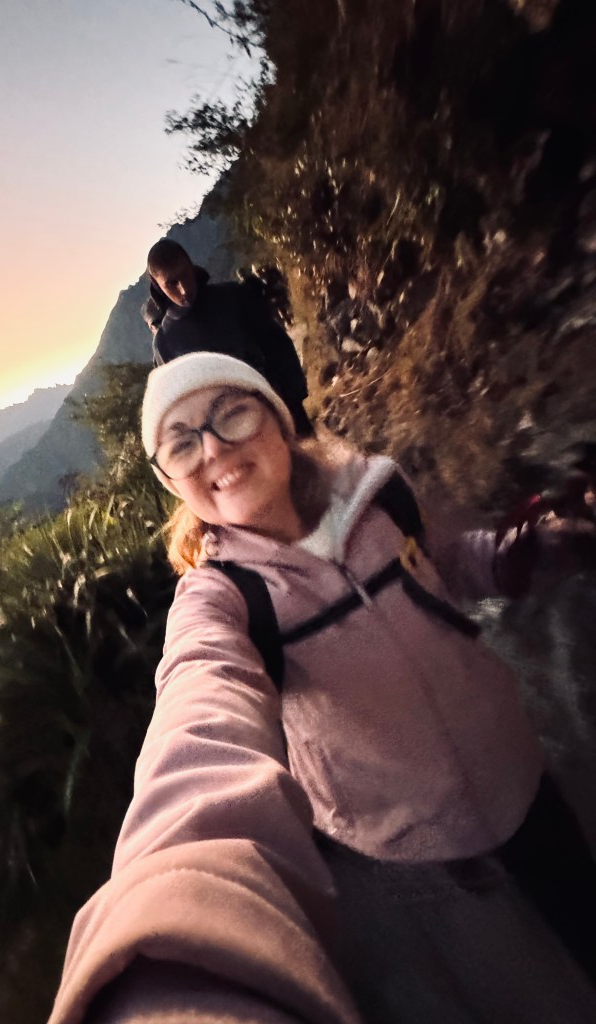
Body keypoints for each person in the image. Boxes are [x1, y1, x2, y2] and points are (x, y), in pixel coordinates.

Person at [49, 353, 596, 1024]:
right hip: (407, 852)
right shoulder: (224, 598)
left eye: (232, 413)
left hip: (515, 770)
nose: (214, 447)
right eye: (182, 441)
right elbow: (200, 701)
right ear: (170, 480)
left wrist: (534, 550)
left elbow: (446, 564)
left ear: (279, 423)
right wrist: (175, 896)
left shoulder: (379, 495)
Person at [146, 239, 313, 437]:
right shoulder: (165, 343)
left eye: (184, 275)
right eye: (171, 283)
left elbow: (277, 344)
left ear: (191, 266)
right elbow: (180, 409)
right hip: (230, 441)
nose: (183, 289)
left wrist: (294, 401)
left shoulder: (234, 297)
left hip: (280, 412)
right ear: (157, 284)